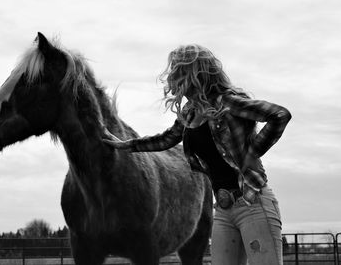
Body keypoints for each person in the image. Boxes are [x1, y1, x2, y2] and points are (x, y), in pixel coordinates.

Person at [102, 44, 291, 265]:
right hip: (223, 209)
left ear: (192, 73)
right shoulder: (189, 113)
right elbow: (166, 139)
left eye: (176, 71)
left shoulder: (227, 102)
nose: (171, 77)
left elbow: (279, 115)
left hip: (254, 203)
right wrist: (128, 145)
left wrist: (252, 152)